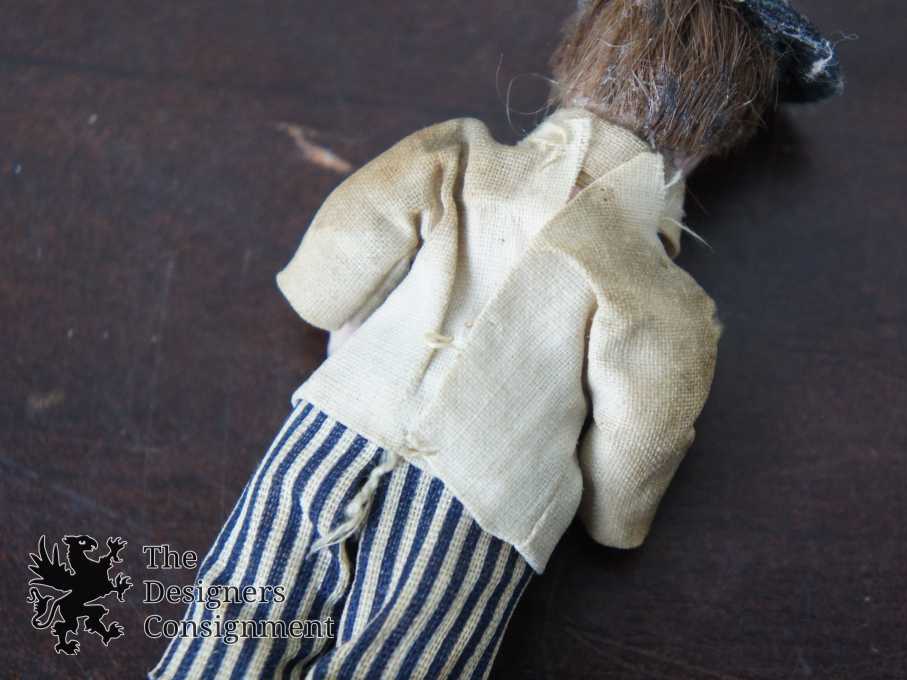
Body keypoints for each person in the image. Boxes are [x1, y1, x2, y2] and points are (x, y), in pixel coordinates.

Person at [149, 1, 841, 677]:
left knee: (237, 614)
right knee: (401, 659)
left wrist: (327, 300)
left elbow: (334, 264)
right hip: (485, 503)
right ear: (713, 133)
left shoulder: (458, 158)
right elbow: (636, 450)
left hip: (343, 419)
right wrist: (613, 514)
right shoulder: (658, 295)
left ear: (579, 54)